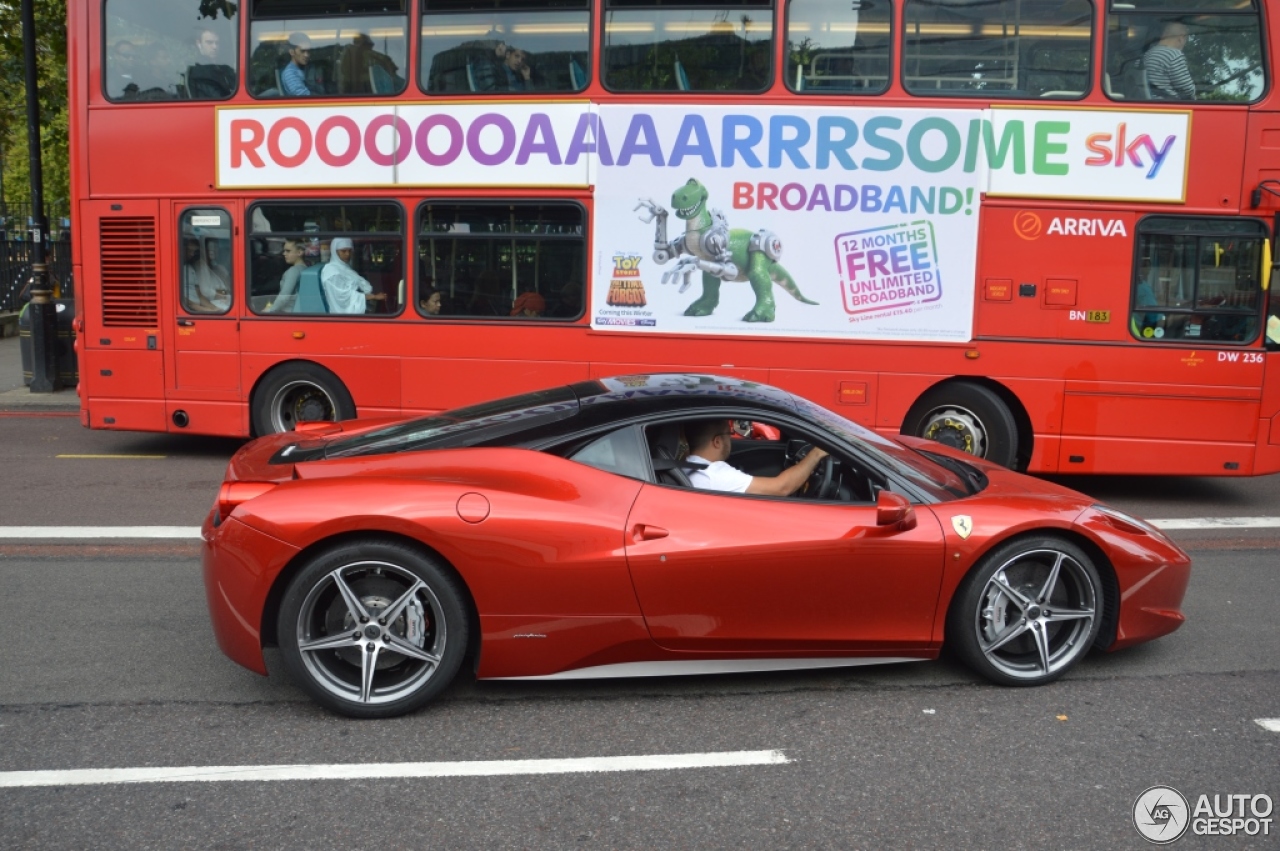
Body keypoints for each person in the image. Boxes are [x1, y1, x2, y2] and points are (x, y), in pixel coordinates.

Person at [683, 419, 829, 497]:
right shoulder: (714, 475)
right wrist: (816, 454)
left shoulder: (686, 465)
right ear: (717, 442)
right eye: (729, 433)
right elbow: (782, 488)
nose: (731, 438)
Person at [321, 237, 385, 314]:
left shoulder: (343, 267)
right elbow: (345, 298)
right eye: (343, 251)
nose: (347, 254)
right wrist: (374, 297)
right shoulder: (332, 273)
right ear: (335, 252)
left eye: (350, 251)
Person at [1144, 21, 1196, 101]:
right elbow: (1187, 89)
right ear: (1181, 38)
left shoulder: (1147, 54)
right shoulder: (1174, 55)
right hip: (1168, 106)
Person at [182, 237, 231, 313]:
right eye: (189, 250)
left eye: (194, 251)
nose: (191, 254)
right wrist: (205, 309)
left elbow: (200, 295)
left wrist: (214, 309)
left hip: (198, 307)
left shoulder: (190, 269)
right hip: (188, 310)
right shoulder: (177, 271)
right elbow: (185, 302)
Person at [187, 26, 235, 98]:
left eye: (217, 43)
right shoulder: (199, 72)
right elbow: (218, 98)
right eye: (209, 43)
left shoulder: (225, 67)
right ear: (199, 44)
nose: (214, 47)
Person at [267, 238, 308, 313]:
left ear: (299, 252)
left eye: (288, 251)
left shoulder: (293, 271)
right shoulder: (304, 268)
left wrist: (270, 311)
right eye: (284, 251)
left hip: (288, 312)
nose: (284, 254)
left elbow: (284, 296)